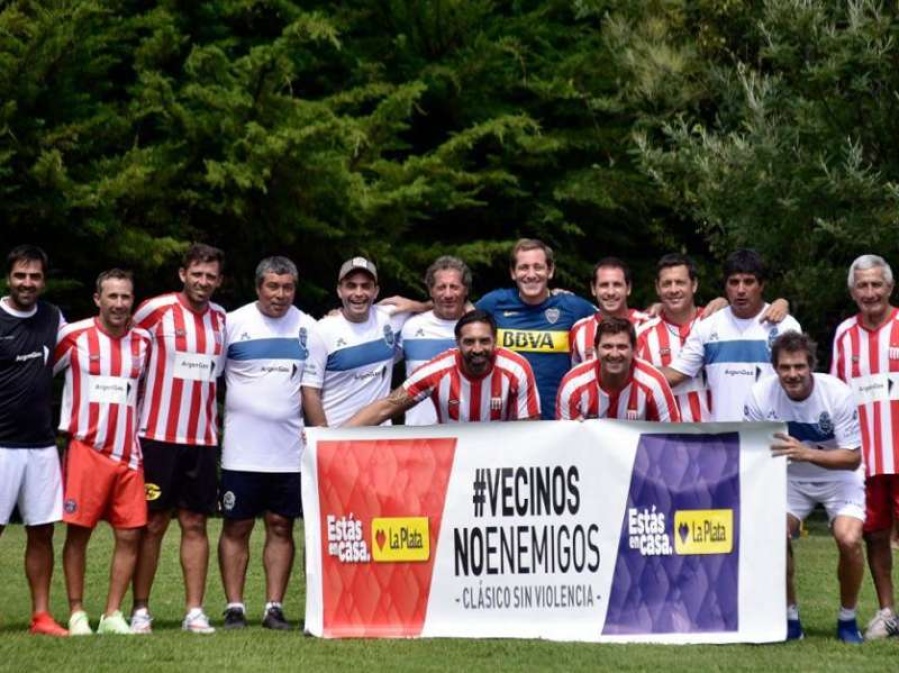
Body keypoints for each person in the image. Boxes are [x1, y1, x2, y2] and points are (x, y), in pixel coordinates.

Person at [130, 244, 227, 634]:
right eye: (197, 273)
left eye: (211, 276)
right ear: (182, 274)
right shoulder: (155, 310)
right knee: (152, 524)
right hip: (156, 436)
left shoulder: (222, 319)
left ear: (219, 280)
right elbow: (122, 347)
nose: (203, 282)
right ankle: (140, 610)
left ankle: (194, 612)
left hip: (202, 439)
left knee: (196, 523)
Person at [217, 257, 317, 631]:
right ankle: (234, 607)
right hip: (241, 450)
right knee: (236, 526)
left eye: (287, 287)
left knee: (280, 525)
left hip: (289, 450)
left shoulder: (308, 326)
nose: (280, 295)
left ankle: (274, 607)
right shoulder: (232, 323)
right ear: (258, 287)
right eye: (273, 287)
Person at [744, 332, 865, 643]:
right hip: (789, 479)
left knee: (849, 540)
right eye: (785, 367)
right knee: (774, 536)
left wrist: (808, 453)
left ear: (811, 365)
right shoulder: (759, 395)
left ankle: (847, 619)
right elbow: (752, 450)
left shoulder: (836, 394)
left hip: (838, 477)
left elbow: (852, 458)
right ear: (775, 368)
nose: (792, 374)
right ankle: (790, 618)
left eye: (799, 366)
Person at [54, 269, 151, 636]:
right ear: (98, 299)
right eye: (112, 296)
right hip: (86, 450)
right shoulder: (73, 336)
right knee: (78, 534)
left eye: (125, 297)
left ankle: (112, 614)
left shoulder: (143, 341)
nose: (119, 304)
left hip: (128, 454)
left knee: (130, 535)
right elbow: (37, 374)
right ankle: (77, 612)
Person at [0, 245, 68, 636]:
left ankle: (41, 615)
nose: (28, 283)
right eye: (21, 275)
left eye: (35, 276)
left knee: (42, 531)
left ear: (44, 280)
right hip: (2, 445)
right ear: (9, 277)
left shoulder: (54, 317)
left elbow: (68, 360)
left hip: (41, 444)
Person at [831, 254, 899, 639]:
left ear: (889, 287)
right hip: (865, 458)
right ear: (853, 291)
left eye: (876, 284)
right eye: (862, 285)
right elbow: (838, 396)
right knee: (874, 534)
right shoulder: (843, 334)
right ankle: (887, 612)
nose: (870, 292)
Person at [663, 248, 801, 421]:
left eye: (749, 282)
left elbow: (802, 382)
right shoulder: (708, 325)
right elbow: (675, 374)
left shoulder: (785, 326)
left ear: (762, 285)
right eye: (734, 282)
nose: (741, 290)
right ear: (725, 286)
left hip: (770, 439)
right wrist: (627, 374)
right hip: (725, 441)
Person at [346, 309, 540, 425]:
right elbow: (387, 407)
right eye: (469, 342)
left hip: (500, 464)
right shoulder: (437, 371)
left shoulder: (517, 369)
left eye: (484, 341)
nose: (477, 349)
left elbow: (530, 429)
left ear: (495, 341)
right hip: (454, 462)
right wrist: (332, 439)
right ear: (457, 342)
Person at [476, 239, 595, 420]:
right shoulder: (493, 303)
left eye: (538, 267)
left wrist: (655, 307)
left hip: (555, 419)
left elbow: (614, 323)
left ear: (550, 270)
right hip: (504, 422)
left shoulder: (572, 306)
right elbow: (457, 320)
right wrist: (421, 306)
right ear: (513, 272)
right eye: (524, 267)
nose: (531, 275)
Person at [302, 257, 408, 428]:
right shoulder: (321, 331)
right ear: (339, 290)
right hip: (339, 437)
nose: (358, 293)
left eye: (366, 286)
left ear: (376, 291)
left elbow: (439, 308)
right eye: (351, 285)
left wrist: (414, 305)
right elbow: (309, 391)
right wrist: (323, 436)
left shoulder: (390, 317)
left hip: (382, 438)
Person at [556, 317, 679, 422]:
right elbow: (565, 439)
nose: (614, 354)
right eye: (607, 346)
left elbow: (672, 436)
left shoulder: (654, 383)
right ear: (596, 350)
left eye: (622, 347)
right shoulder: (573, 385)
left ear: (634, 350)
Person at [400, 256, 471, 425]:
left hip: (467, 435)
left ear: (465, 290)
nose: (448, 294)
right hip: (418, 435)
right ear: (431, 290)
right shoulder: (409, 327)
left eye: (454, 287)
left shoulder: (477, 330)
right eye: (441, 287)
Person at [570, 257, 651, 364]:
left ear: (628, 288)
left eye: (617, 285)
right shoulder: (579, 329)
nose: (611, 292)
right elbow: (576, 375)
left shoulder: (648, 325)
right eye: (604, 285)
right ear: (593, 289)